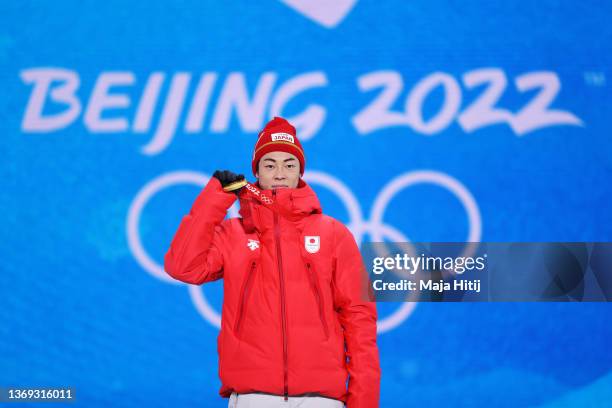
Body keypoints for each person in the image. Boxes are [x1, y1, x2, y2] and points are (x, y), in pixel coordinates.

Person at [164, 116, 381, 407]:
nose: (280, 173)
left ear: (300, 171)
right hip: (253, 395)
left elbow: (359, 320)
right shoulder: (234, 234)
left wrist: (364, 402)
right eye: (270, 164)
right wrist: (214, 199)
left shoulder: (333, 234)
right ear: (257, 172)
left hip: (321, 398)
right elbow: (183, 267)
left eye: (289, 164)